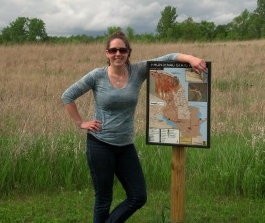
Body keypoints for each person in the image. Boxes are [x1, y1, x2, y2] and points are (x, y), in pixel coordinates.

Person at [61, 31, 207, 223]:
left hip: (125, 146)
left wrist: (191, 58)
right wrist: (81, 122)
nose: (118, 54)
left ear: (129, 52)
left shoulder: (138, 71)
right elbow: (67, 96)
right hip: (100, 144)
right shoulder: (97, 76)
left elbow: (169, 57)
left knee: (138, 196)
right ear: (107, 53)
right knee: (103, 199)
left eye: (122, 50)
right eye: (113, 50)